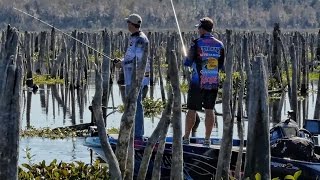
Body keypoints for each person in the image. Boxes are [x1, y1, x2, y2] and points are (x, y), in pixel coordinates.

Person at [182, 17, 225, 146]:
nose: (197, 30)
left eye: (198, 28)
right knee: (209, 110)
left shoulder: (196, 43)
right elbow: (221, 66)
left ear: (202, 29)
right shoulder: (220, 44)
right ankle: (207, 139)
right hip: (212, 81)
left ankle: (186, 138)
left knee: (192, 109)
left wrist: (186, 57)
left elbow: (187, 63)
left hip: (197, 81)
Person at [114, 13, 149, 139]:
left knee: (136, 105)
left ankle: (138, 135)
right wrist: (121, 61)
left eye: (128, 22)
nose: (127, 25)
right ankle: (132, 133)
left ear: (131, 24)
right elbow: (130, 57)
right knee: (132, 104)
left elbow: (138, 59)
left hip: (138, 79)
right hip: (131, 78)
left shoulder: (141, 39)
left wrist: (122, 63)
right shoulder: (134, 38)